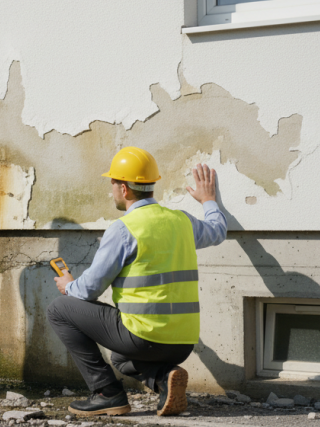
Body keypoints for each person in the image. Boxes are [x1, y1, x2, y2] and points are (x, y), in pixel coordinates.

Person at [46, 146, 227, 417]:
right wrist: (208, 200)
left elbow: (89, 290)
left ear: (124, 189)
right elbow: (217, 231)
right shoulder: (181, 221)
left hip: (143, 339)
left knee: (59, 309)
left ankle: (106, 393)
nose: (111, 190)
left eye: (113, 183)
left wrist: (68, 285)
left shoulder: (123, 229)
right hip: (183, 344)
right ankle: (163, 378)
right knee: (120, 357)